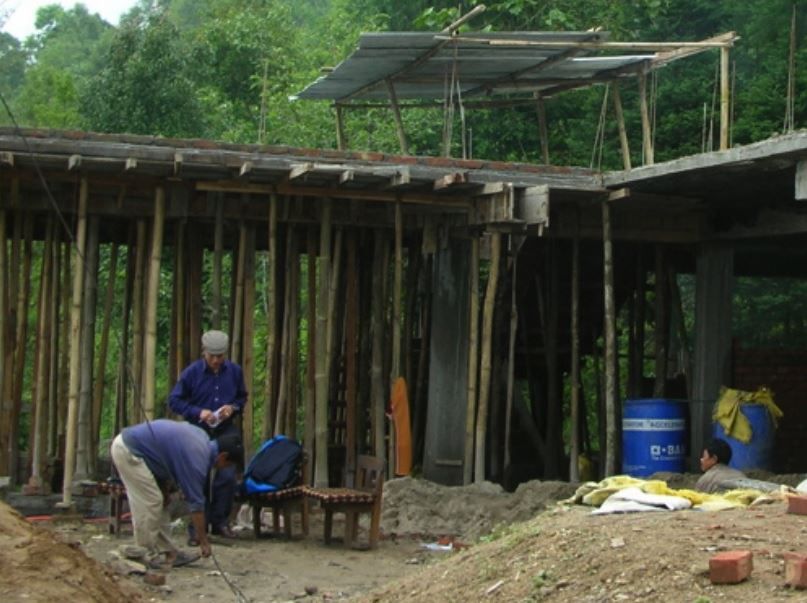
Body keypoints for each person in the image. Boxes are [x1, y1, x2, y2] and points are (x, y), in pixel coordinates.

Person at [110, 419, 244, 569]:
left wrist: (165, 490)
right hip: (129, 449)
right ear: (223, 456)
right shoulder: (197, 459)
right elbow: (196, 506)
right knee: (151, 501)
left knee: (161, 503)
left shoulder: (201, 438)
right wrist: (203, 542)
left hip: (144, 454)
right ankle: (144, 553)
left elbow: (165, 458)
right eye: (228, 464)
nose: (225, 468)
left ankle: (169, 552)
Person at [168, 330, 248, 542]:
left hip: (225, 429)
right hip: (197, 429)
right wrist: (198, 412)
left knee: (227, 475)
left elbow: (242, 398)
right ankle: (197, 528)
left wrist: (233, 408)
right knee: (198, 477)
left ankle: (220, 522)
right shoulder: (191, 373)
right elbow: (174, 401)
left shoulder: (234, 372)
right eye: (212, 356)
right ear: (204, 352)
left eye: (220, 356)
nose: (215, 360)